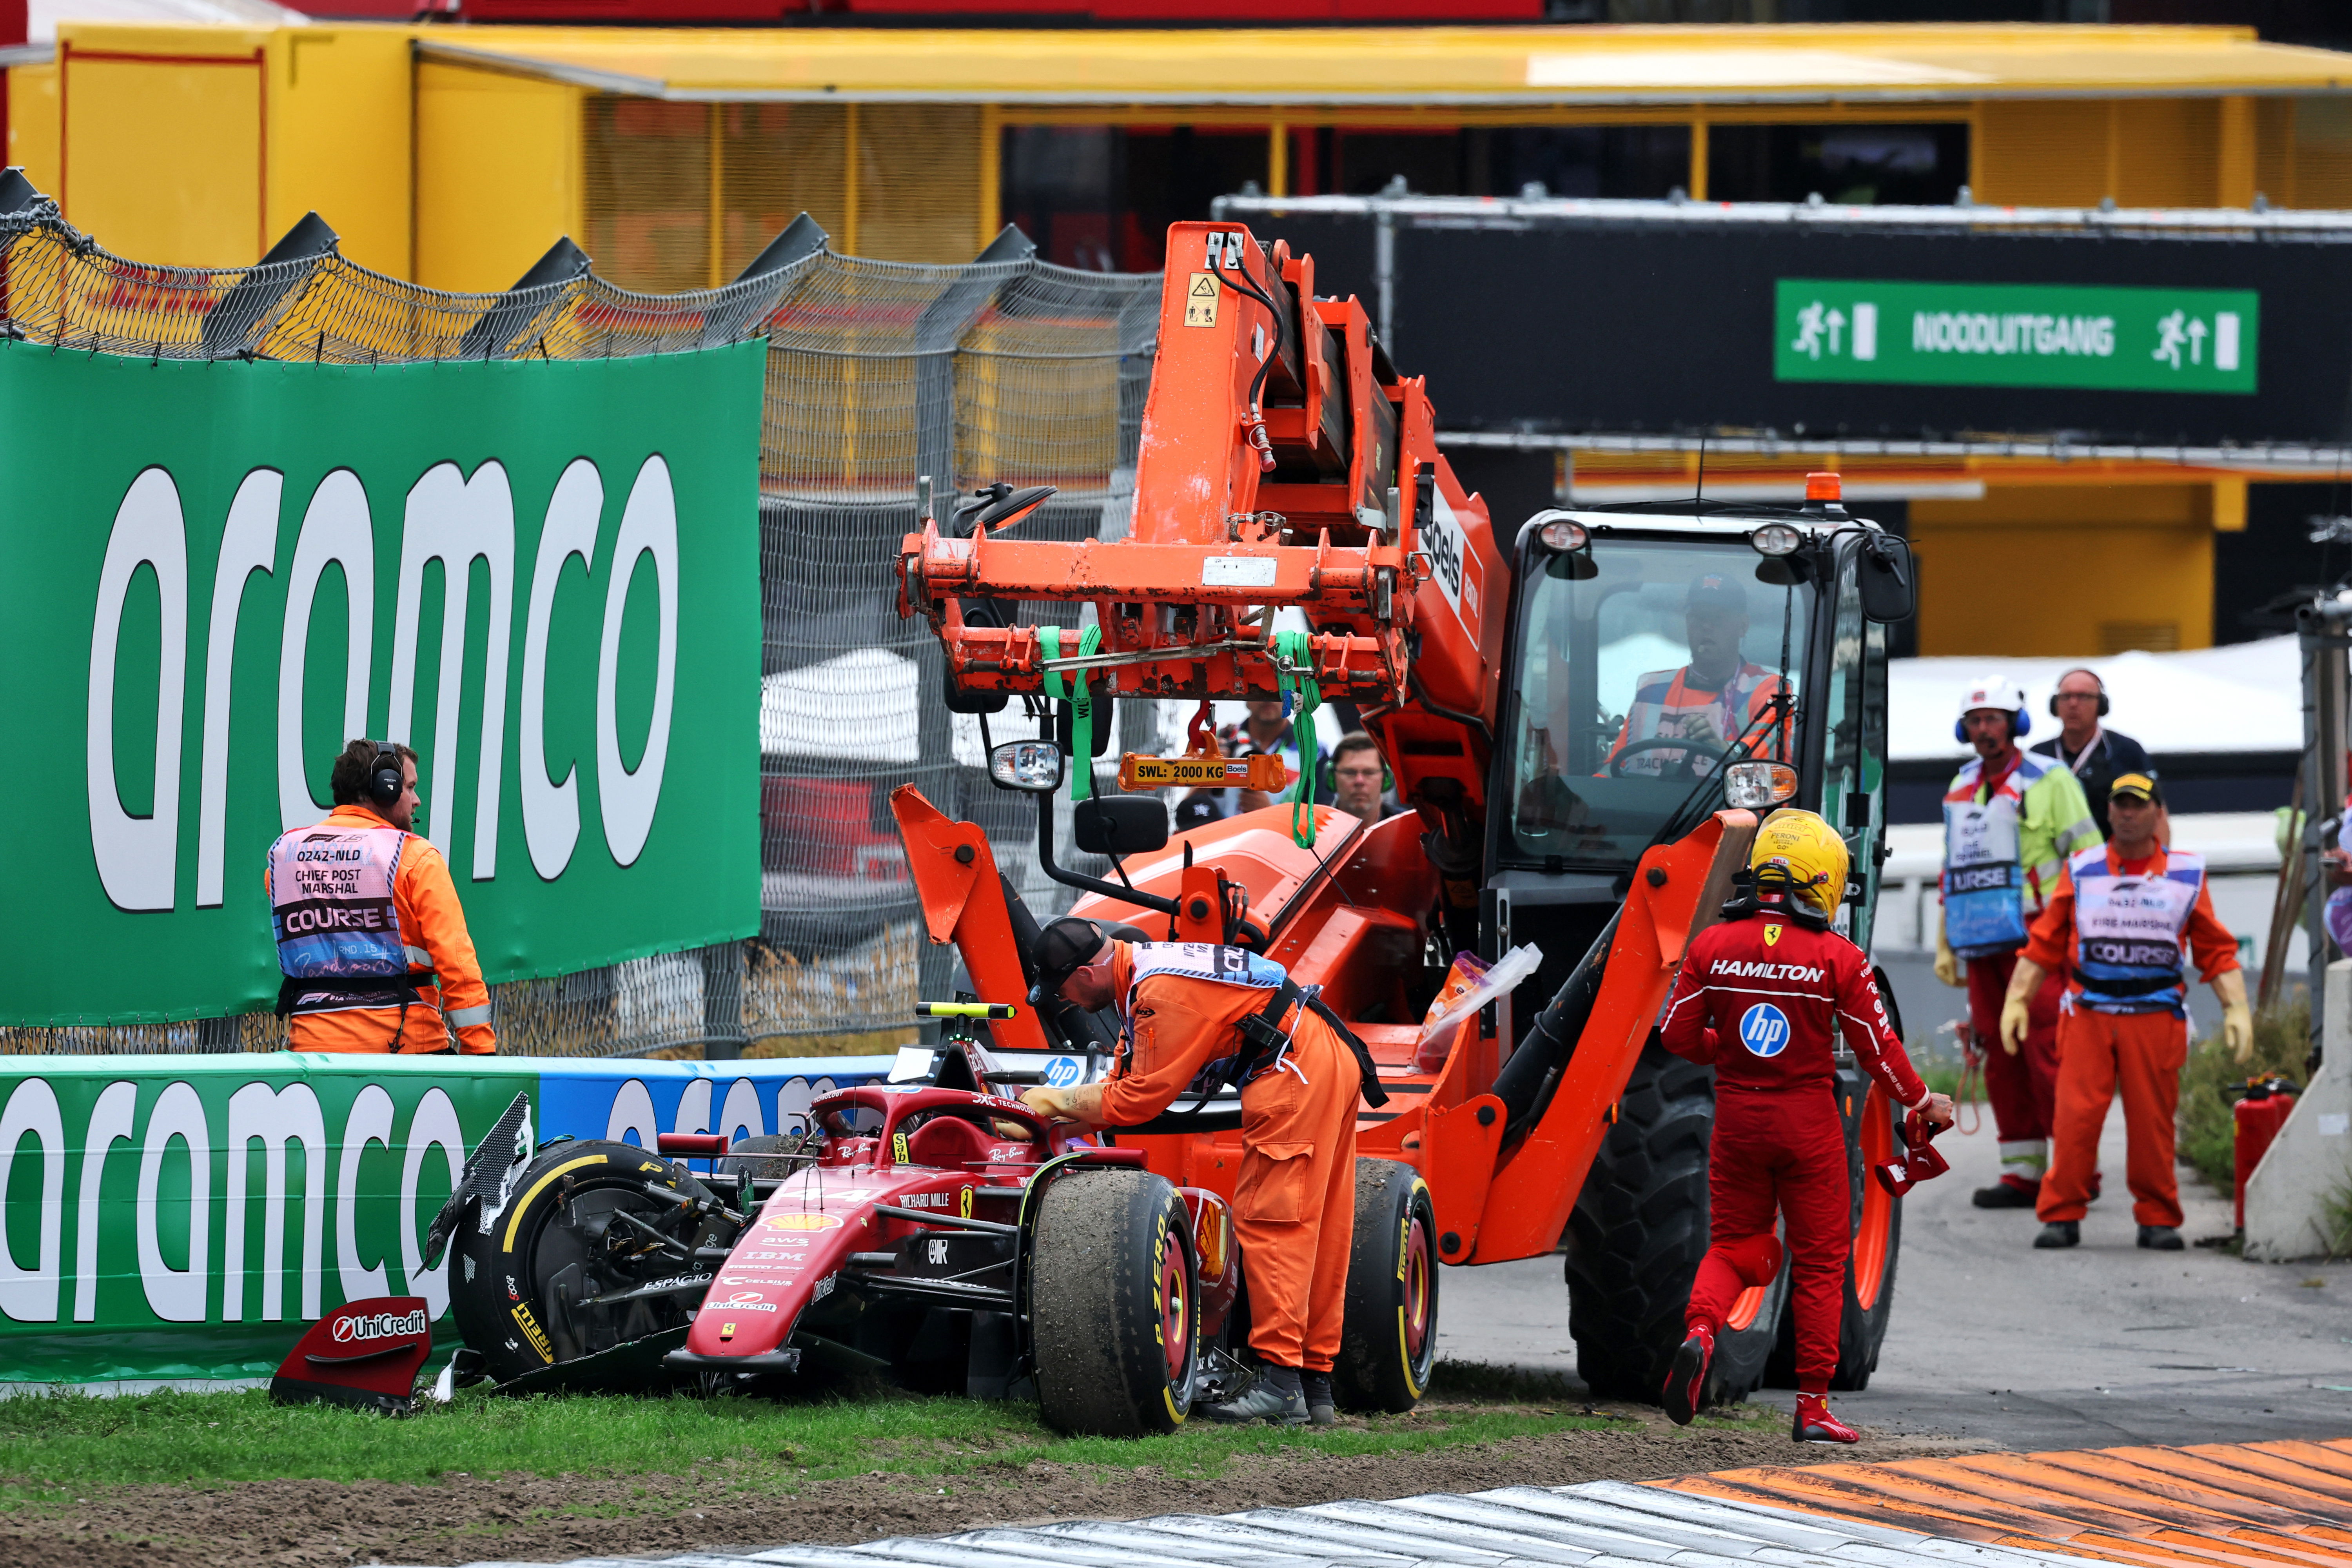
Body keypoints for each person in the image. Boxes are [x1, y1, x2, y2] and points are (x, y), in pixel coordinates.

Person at [1017, 916, 1385, 1428]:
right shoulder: (1146, 974)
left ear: (1084, 974)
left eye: (1063, 992)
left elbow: (1141, 1097)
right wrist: (1058, 1116)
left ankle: (1282, 1386)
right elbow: (1125, 1078)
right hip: (1321, 1054)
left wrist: (1050, 1101)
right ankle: (1313, 1383)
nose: (1067, 1003)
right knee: (1321, 1226)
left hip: (1294, 1068)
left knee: (1273, 1223)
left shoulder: (1157, 996)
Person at [1658, 809, 1953, 1443]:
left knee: (1734, 1247)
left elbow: (1676, 1035)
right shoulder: (1839, 958)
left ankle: (1702, 1333)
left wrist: (1724, 1048)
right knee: (1820, 1262)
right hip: (1808, 1126)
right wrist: (1923, 1100)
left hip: (1737, 1120)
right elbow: (1877, 1049)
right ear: (1826, 880)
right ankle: (1812, 1406)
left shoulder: (1710, 946)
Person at [2004, 773, 2252, 1252]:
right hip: (2089, 1013)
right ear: (2110, 811)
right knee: (2074, 1120)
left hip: (2155, 1015)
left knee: (2153, 1123)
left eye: (2138, 804)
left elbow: (2215, 949)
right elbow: (2046, 940)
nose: (2128, 813)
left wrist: (2236, 1006)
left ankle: (2158, 1217)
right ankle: (2061, 1214)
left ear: (2158, 813)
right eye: (2120, 804)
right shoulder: (2082, 868)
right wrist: (2017, 998)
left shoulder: (2186, 873)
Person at [1933, 677, 2100, 1209]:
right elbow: (1952, 866)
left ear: (2015, 724)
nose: (1984, 729)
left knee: (2048, 1051)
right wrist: (1945, 940)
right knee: (1999, 1055)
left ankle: (2076, 1169)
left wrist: (2083, 936)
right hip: (1980, 939)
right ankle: (2023, 1174)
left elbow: (2089, 861)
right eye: (1976, 721)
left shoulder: (2051, 780)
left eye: (1994, 719)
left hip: (2040, 938)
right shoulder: (1960, 786)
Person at [265, 739, 497, 1054]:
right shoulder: (416, 857)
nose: (416, 800)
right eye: (410, 787)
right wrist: (481, 1052)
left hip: (313, 1052)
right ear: (385, 789)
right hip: (406, 1052)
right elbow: (457, 963)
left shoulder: (285, 857)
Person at [1604, 574, 1789, 778]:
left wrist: (1722, 749)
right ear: (1687, 623)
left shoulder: (1768, 690)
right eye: (1699, 617)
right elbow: (1614, 768)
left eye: (1718, 618)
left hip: (1719, 801)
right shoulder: (1652, 688)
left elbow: (1773, 773)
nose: (1706, 626)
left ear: (1743, 626)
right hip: (1643, 800)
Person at [2031, 668, 2153, 841]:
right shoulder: (2038, 756)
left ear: (2101, 705)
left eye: (2083, 697)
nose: (2073, 704)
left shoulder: (2127, 751)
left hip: (2111, 854)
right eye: (2066, 697)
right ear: (2054, 705)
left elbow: (2156, 812)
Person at [1174, 697, 1332, 829]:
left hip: (1279, 846)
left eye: (1279, 689)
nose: (1268, 697)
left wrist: (1269, 813)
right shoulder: (1221, 738)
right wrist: (1210, 773)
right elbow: (1186, 809)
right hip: (1218, 841)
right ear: (1244, 695)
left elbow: (1322, 822)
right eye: (1258, 688)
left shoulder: (1313, 751)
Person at [1330, 731, 1394, 829]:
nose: (1359, 781)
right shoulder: (1311, 832)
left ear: (1386, 778)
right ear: (1332, 778)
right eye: (1349, 773)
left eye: (1369, 773)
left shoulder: (1411, 828)